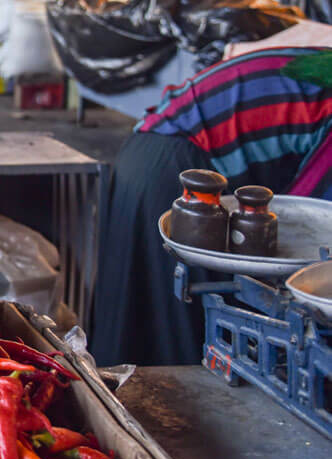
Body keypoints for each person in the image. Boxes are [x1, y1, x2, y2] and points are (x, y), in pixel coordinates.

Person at [88, 46, 332, 367]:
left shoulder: (321, 65)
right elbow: (310, 223)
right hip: (183, 179)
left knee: (136, 322)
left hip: (150, 156)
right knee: (174, 339)